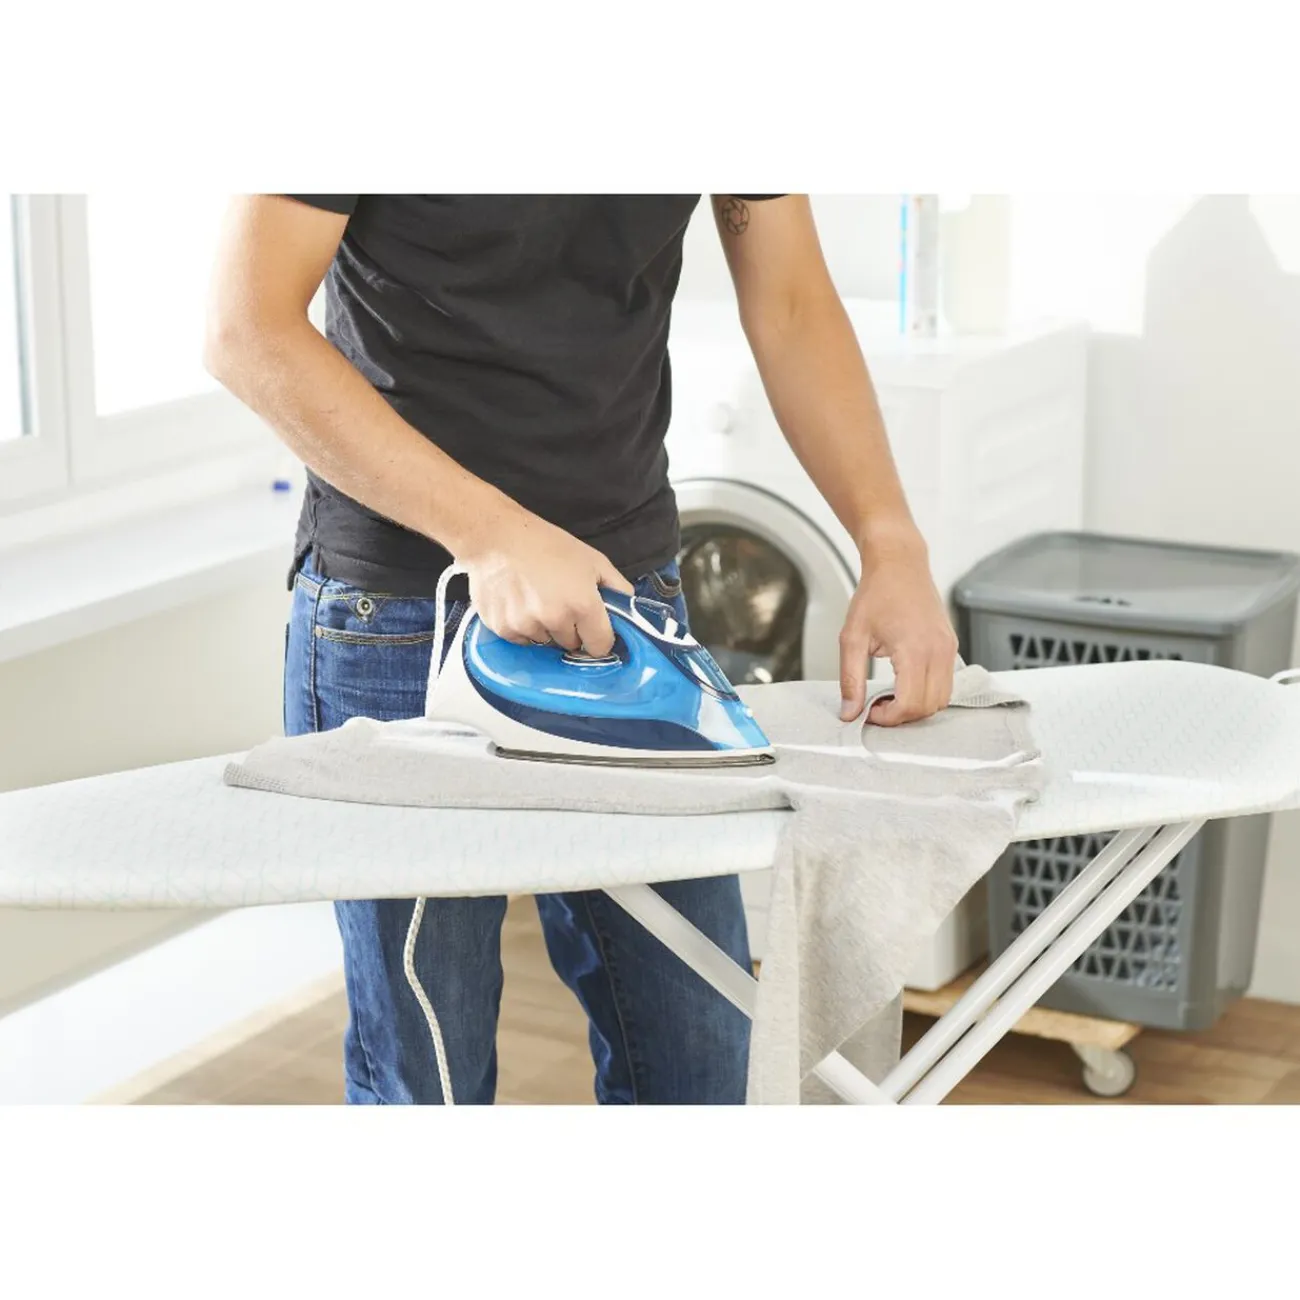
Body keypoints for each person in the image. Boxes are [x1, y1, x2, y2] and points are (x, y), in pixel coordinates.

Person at [205, 194, 958, 1105]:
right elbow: (248, 329)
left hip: (626, 600)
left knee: (703, 1060)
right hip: (403, 616)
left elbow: (791, 300)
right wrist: (492, 535)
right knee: (431, 1083)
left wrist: (890, 541)